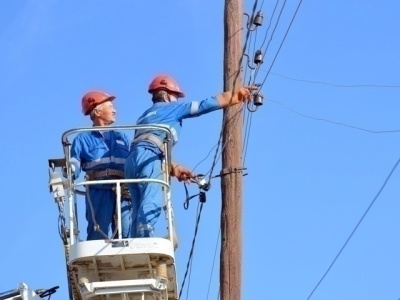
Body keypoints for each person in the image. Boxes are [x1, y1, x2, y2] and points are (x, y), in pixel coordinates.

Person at [125, 74, 255, 238]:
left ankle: (137, 240)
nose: (177, 100)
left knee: (138, 205)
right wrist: (238, 95)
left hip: (132, 162)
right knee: (152, 198)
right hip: (150, 157)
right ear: (165, 94)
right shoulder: (171, 108)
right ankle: (145, 239)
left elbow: (145, 148)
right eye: (175, 96)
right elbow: (204, 105)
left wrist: (175, 169)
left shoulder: (144, 116)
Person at [69, 90, 132, 240]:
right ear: (97, 111)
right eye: (110, 107)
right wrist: (68, 171)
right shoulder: (82, 139)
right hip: (98, 190)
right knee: (97, 233)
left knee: (126, 232)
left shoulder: (122, 136)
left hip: (122, 190)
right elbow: (73, 165)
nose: (114, 110)